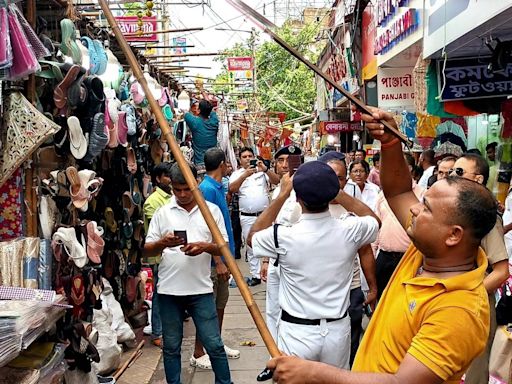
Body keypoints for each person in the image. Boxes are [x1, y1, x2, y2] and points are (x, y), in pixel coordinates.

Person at [268, 107, 496, 384]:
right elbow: (399, 190)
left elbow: (402, 383)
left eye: (425, 208)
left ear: (453, 235)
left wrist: (312, 372)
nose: (413, 210)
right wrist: (389, 143)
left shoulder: (459, 311)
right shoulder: (429, 251)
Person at [249, 161, 380, 370]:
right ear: (332, 194)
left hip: (297, 332)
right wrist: (340, 194)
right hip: (337, 331)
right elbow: (374, 220)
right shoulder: (350, 229)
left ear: (298, 198)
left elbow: (252, 236)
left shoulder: (282, 235)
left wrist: (283, 194)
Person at [144, 163, 232, 384]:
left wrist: (204, 246)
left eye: (187, 189)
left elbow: (223, 245)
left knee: (214, 344)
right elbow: (147, 249)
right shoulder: (163, 212)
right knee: (171, 346)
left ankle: (225, 382)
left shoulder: (210, 211)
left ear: (196, 185)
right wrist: (163, 243)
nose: (182, 194)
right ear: (171, 187)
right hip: (169, 291)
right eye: (177, 190)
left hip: (200, 289)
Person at [448, 152, 510, 384]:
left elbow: (501, 271)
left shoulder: (487, 218)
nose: (454, 176)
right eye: (453, 171)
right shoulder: (456, 213)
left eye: (460, 172)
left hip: (475, 305)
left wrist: (468, 294)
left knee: (474, 372)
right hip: (450, 302)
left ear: (478, 180)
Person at [319, 152, 378, 366]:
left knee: (351, 342)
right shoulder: (306, 205)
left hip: (351, 289)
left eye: (341, 178)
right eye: (331, 177)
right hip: (319, 290)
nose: (337, 182)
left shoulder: (354, 209)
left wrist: (372, 288)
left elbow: (365, 249)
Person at [189, 148, 240, 370]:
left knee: (220, 304)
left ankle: (214, 345)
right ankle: (198, 351)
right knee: (207, 309)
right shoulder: (206, 190)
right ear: (222, 164)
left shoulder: (218, 187)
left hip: (222, 258)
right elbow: (206, 229)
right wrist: (218, 261)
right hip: (211, 262)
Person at [257, 145, 303, 382]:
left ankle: (294, 360)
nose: (286, 165)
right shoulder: (278, 193)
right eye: (282, 160)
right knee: (273, 310)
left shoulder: (307, 188)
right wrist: (265, 260)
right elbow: (268, 225)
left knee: (295, 311)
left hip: (300, 261)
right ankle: (275, 358)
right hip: (276, 259)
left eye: (291, 160)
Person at [374, 155, 424, 299]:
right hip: (384, 257)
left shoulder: (422, 194)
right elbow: (377, 224)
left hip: (409, 258)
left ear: (409, 169)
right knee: (382, 299)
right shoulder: (383, 194)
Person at [229, 147, 279, 286]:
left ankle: (269, 269)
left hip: (264, 214)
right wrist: (245, 175)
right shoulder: (237, 174)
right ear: (240, 159)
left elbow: (277, 181)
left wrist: (265, 169)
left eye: (250, 156)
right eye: (244, 156)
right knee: (251, 246)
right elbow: (232, 189)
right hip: (246, 216)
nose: (247, 158)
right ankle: (255, 275)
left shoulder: (262, 173)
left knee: (269, 242)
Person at [142, 162, 173, 348]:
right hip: (160, 255)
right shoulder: (153, 201)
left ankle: (163, 329)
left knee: (165, 293)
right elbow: (158, 230)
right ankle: (157, 332)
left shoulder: (170, 197)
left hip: (171, 254)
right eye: (167, 176)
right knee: (160, 294)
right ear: (158, 178)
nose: (170, 180)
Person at [184, 100, 219, 170]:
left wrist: (191, 103)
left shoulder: (195, 122)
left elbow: (185, 112)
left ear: (199, 110)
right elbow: (212, 110)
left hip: (200, 163)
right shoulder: (214, 121)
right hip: (214, 163)